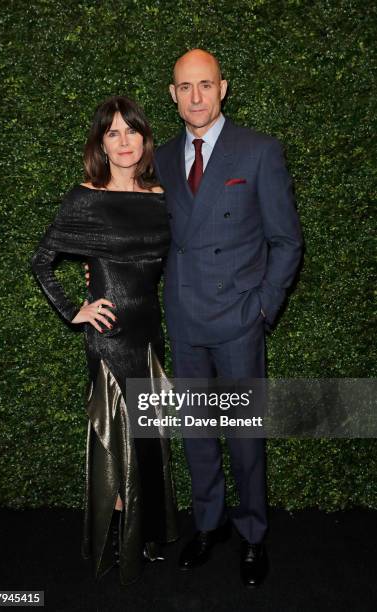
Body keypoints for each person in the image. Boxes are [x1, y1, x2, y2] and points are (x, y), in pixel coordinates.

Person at [154, 49, 303, 587]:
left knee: (243, 436)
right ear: (173, 94)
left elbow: (286, 240)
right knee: (196, 433)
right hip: (185, 318)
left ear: (223, 89)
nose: (196, 96)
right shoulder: (164, 157)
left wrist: (263, 306)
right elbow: (151, 233)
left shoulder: (259, 151)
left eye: (205, 85)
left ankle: (253, 534)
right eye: (185, 87)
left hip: (239, 319)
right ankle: (208, 524)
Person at [31, 96, 178, 585]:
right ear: (100, 143)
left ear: (144, 137)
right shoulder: (85, 197)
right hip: (110, 338)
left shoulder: (162, 196)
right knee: (116, 439)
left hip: (150, 334)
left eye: (130, 131)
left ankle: (147, 533)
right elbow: (43, 261)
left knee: (149, 438)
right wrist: (76, 311)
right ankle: (121, 539)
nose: (123, 141)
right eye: (111, 133)